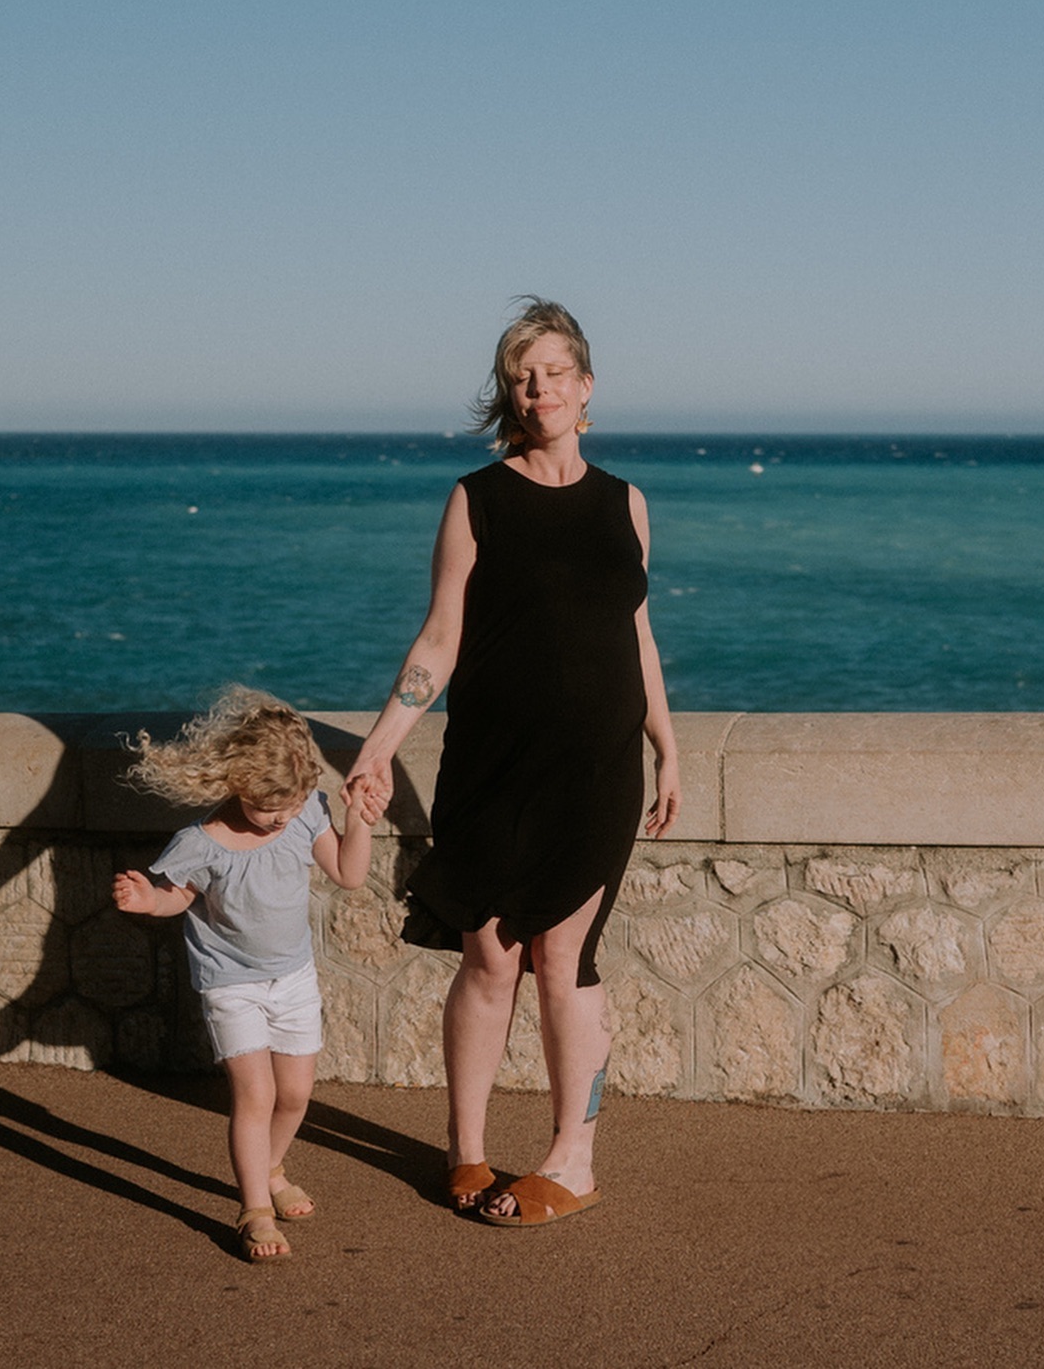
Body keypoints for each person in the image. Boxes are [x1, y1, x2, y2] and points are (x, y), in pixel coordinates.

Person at [346, 297, 680, 1227]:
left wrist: (668, 745)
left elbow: (638, 632)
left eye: (554, 372)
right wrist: (378, 748)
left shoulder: (626, 502)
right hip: (492, 762)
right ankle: (467, 1150)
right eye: (522, 375)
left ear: (586, 385)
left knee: (564, 951)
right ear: (511, 392)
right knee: (489, 954)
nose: (539, 389)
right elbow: (439, 637)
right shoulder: (477, 497)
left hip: (598, 766)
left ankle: (573, 1157)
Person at [113, 686, 385, 1263]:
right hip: (230, 983)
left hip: (293, 978)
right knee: (256, 1096)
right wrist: (146, 900)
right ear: (237, 786)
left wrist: (358, 820)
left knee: (296, 1093)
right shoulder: (199, 843)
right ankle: (254, 1207)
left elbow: (349, 873)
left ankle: (273, 1167)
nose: (281, 819)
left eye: (291, 806)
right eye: (269, 809)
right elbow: (175, 898)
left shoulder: (304, 810)